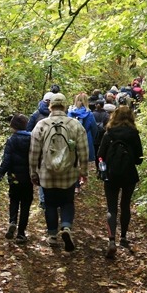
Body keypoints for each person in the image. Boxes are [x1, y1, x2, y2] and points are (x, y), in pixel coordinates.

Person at [29, 93, 89, 251]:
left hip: (47, 174)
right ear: (64, 106)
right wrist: (84, 172)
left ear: (50, 106)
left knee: (50, 204)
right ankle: (67, 227)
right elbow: (83, 151)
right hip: (69, 173)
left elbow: (34, 153)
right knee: (67, 202)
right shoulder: (75, 125)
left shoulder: (41, 125)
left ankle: (53, 236)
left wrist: (33, 173)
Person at [96, 105, 143, 259]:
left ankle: (111, 241)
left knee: (111, 207)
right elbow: (139, 159)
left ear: (114, 117)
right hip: (129, 175)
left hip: (111, 174)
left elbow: (100, 155)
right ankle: (123, 237)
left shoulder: (109, 133)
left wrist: (102, 170)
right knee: (125, 205)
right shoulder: (134, 134)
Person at [0, 114, 33, 244]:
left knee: (14, 200)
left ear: (13, 126)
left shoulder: (11, 140)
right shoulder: (32, 139)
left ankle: (12, 221)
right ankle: (21, 234)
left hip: (14, 177)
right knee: (26, 204)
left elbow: (6, 161)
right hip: (28, 177)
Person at [27, 92, 53, 209]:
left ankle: (43, 200)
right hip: (55, 147)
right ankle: (51, 199)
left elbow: (28, 131)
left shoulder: (36, 114)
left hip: (39, 149)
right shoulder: (60, 116)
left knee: (42, 173)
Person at [68, 92, 98, 192]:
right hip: (85, 139)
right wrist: (92, 139)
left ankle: (73, 183)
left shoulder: (70, 112)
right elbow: (94, 129)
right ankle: (79, 184)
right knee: (82, 162)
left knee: (73, 161)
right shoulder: (89, 114)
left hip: (71, 139)